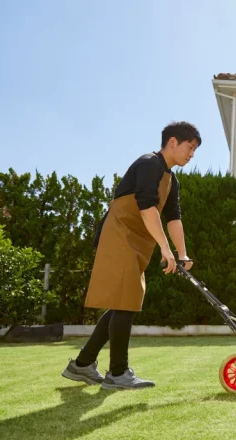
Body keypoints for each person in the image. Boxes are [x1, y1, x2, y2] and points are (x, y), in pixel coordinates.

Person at [61, 121, 200, 390]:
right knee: (127, 301)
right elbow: (147, 207)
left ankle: (82, 365)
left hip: (137, 238)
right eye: (190, 147)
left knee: (121, 302)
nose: (192, 154)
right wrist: (165, 248)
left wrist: (182, 253)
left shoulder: (171, 180)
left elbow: (174, 217)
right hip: (120, 233)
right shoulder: (149, 163)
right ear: (173, 142)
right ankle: (118, 373)